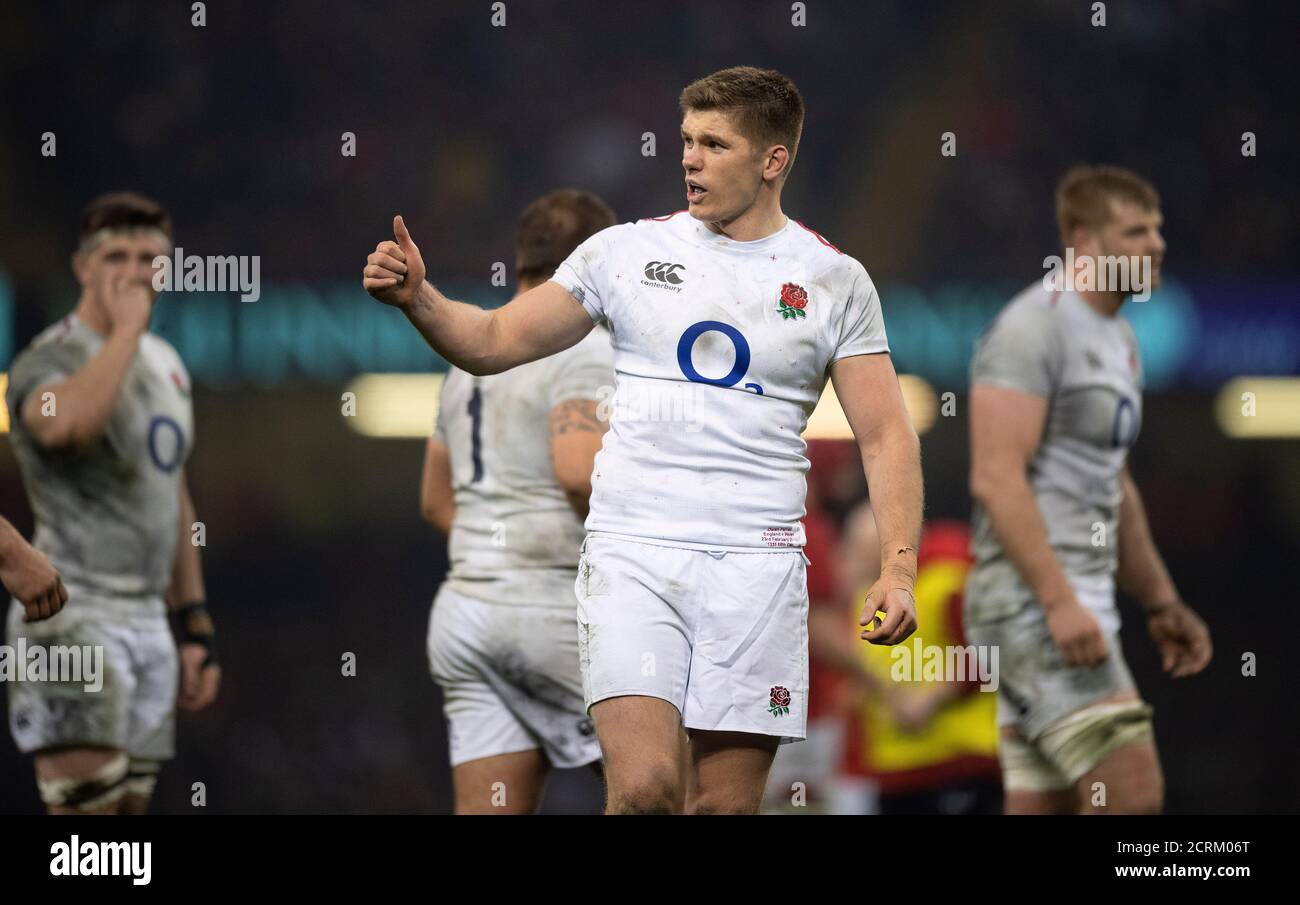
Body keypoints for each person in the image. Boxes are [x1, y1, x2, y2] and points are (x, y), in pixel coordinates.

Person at [365, 67, 922, 814]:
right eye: (687, 139)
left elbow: (884, 432)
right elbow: (495, 338)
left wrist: (898, 567)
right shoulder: (622, 254)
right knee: (645, 789)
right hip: (634, 553)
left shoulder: (833, 280)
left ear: (772, 161)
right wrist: (420, 300)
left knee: (722, 806)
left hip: (758, 567)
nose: (688, 157)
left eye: (713, 143)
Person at [965, 166, 1212, 814]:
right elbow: (995, 475)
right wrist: (1057, 600)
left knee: (1044, 806)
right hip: (1030, 602)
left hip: (1069, 599)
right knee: (1132, 794)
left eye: (1157, 227)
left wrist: (1161, 601)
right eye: (1135, 231)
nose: (1157, 243)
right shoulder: (1032, 326)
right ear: (1083, 240)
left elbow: (1116, 484)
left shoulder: (1121, 338)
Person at [5, 192, 220, 814]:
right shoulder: (48, 357)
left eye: (150, 258)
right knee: (86, 833)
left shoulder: (167, 364)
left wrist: (194, 625)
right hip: (72, 614)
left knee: (126, 828)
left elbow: (172, 493)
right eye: (117, 256)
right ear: (83, 268)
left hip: (149, 619)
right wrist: (125, 331)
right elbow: (66, 426)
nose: (135, 272)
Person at [419, 189, 615, 813]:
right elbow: (579, 474)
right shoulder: (581, 341)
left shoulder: (468, 356)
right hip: (551, 605)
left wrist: (494, 557)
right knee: (675, 784)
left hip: (465, 610)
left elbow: (433, 499)